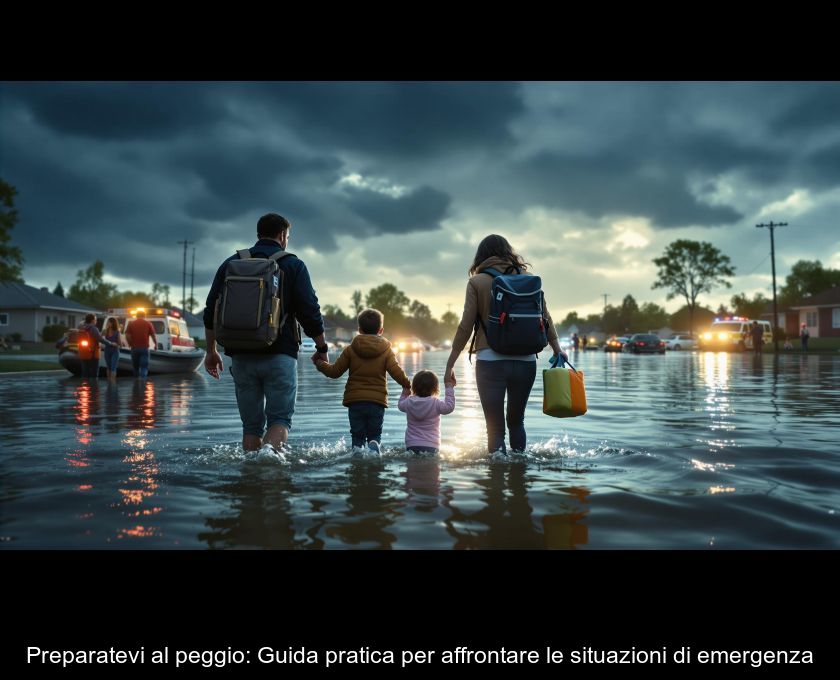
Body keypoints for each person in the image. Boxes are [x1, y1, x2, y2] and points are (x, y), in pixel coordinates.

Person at [203, 213, 326, 452]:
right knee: (280, 421)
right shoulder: (293, 264)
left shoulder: (231, 263)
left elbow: (211, 311)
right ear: (282, 236)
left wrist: (211, 350)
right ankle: (268, 470)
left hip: (240, 356)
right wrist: (321, 347)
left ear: (259, 234)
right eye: (287, 236)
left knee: (251, 427)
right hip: (280, 354)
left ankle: (251, 478)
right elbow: (309, 311)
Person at [444, 234, 568, 455]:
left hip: (490, 362)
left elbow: (465, 326)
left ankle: (497, 481)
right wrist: (558, 349)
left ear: (481, 256)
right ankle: (520, 476)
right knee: (517, 421)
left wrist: (450, 364)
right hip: (526, 362)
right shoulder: (529, 279)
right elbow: (545, 317)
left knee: (495, 428)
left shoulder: (477, 282)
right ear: (509, 252)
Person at [314, 308, 410, 455]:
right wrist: (407, 385)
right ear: (381, 330)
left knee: (357, 437)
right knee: (374, 434)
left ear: (359, 329)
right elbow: (396, 371)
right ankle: (374, 445)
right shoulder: (386, 351)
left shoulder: (350, 350)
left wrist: (320, 364)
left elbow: (334, 372)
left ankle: (357, 452)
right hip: (377, 402)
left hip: (355, 401)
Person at [398, 369, 455, 455]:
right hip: (431, 445)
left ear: (414, 387)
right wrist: (449, 387)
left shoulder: (409, 402)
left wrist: (405, 392)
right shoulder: (435, 403)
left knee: (412, 468)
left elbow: (400, 405)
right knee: (432, 468)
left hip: (411, 444)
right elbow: (449, 407)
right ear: (435, 388)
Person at [78, 313, 118, 379]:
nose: (96, 321)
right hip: (93, 354)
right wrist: (111, 343)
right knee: (94, 374)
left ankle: (85, 387)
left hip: (83, 353)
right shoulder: (93, 328)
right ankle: (94, 388)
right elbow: (100, 339)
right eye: (96, 319)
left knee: (85, 373)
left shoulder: (81, 327)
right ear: (92, 320)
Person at [125, 309, 157, 379]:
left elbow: (127, 336)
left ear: (136, 316)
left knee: (135, 368)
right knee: (144, 368)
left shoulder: (131, 323)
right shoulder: (148, 324)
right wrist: (156, 344)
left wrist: (130, 343)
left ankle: (136, 386)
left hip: (134, 349)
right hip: (144, 349)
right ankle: (143, 384)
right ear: (144, 316)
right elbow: (153, 335)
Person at [102, 316, 122, 381]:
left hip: (115, 351)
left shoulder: (117, 332)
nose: (107, 323)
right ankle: (109, 382)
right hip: (107, 351)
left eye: (109, 322)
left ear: (113, 323)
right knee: (108, 367)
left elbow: (120, 344)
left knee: (113, 368)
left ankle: (112, 382)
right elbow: (99, 338)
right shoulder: (105, 331)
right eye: (107, 322)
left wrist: (114, 344)